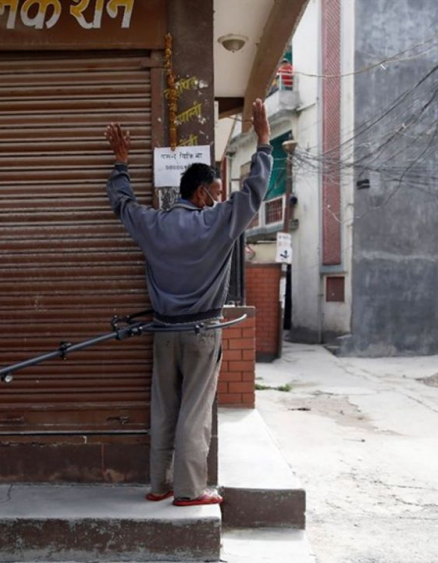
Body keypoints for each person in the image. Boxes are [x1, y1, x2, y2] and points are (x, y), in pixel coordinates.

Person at [103, 99, 272, 506]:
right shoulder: (216, 223)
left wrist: (121, 164)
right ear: (200, 193)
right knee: (194, 411)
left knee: (163, 409)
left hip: (163, 332)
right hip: (202, 333)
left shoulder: (154, 225)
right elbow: (254, 192)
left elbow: (122, 205)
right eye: (214, 192)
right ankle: (189, 491)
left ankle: (158, 485)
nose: (217, 199)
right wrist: (264, 142)